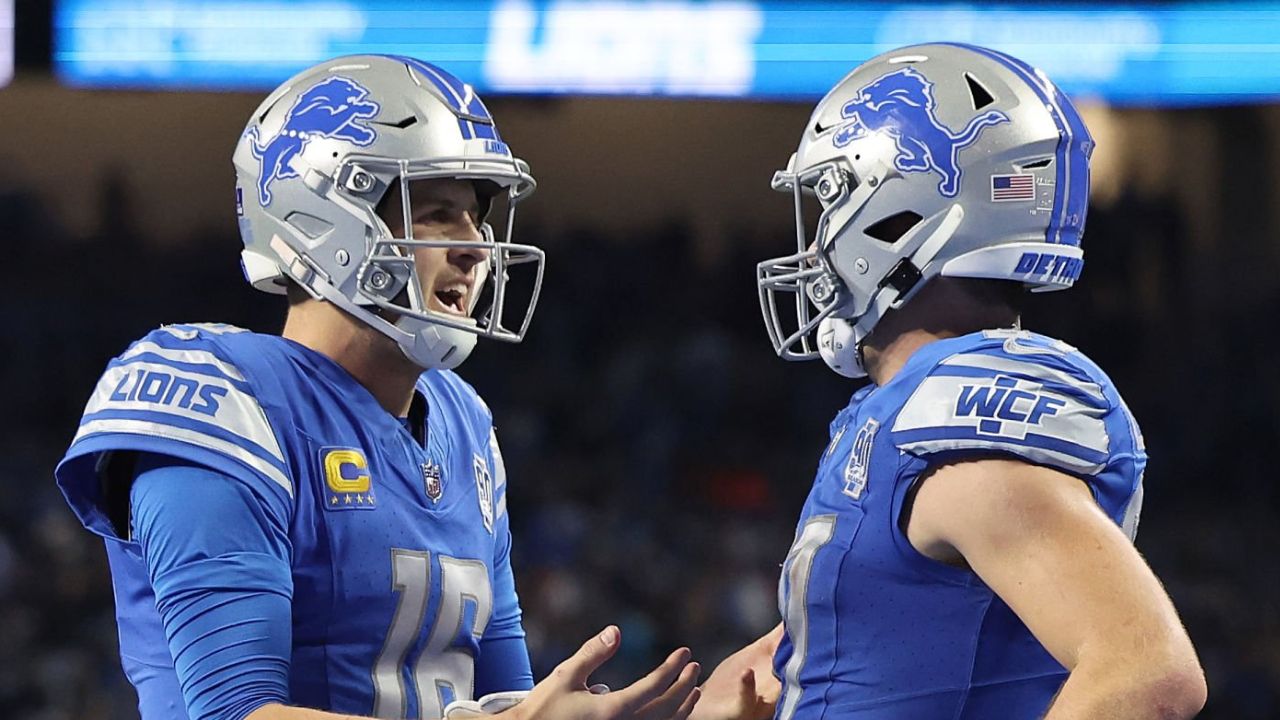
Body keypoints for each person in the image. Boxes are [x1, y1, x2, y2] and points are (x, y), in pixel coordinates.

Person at [55, 54, 700, 720]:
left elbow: (507, 702)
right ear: (323, 221)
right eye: (438, 212)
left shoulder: (463, 420)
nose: (476, 246)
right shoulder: (223, 402)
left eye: (476, 217)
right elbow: (233, 714)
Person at [698, 42, 1207, 720]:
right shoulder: (900, 410)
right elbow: (837, 650)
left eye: (830, 201)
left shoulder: (964, 421)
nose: (816, 242)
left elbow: (1148, 673)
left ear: (899, 215)